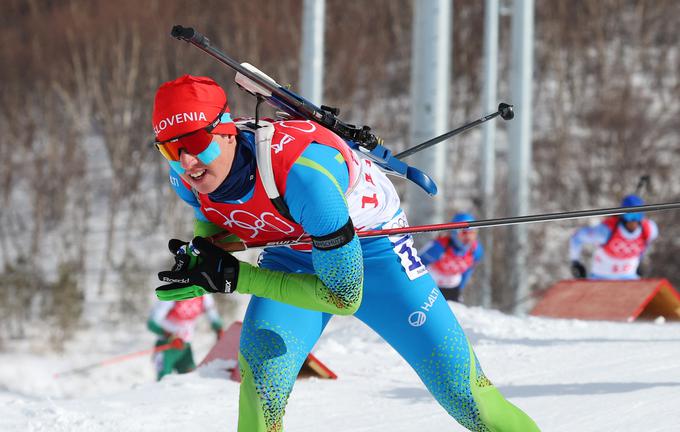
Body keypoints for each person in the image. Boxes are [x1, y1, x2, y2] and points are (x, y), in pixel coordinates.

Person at [151, 75, 539, 431]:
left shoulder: (305, 178)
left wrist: (236, 277)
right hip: (292, 249)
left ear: (229, 132)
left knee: (466, 397)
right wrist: (201, 258)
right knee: (261, 391)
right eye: (171, 148)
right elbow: (214, 214)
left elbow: (342, 297)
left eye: (197, 142)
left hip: (375, 255)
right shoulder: (186, 178)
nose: (187, 162)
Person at [569, 194, 658, 280]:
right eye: (630, 216)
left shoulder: (650, 229)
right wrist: (575, 262)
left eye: (638, 216)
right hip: (601, 279)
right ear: (623, 215)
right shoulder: (606, 231)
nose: (633, 221)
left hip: (628, 279)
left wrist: (639, 260)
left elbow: (646, 245)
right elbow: (577, 236)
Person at [147, 294, 224, 381]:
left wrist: (219, 330)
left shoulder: (203, 294)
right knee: (162, 381)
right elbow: (152, 323)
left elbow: (212, 315)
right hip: (166, 346)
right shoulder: (172, 292)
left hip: (185, 347)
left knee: (189, 381)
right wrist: (171, 336)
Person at [420, 212, 484, 302]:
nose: (468, 237)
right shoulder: (439, 247)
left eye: (472, 232)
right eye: (464, 233)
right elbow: (418, 264)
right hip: (432, 285)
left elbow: (467, 272)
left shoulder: (476, 250)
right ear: (454, 233)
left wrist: (459, 290)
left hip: (453, 287)